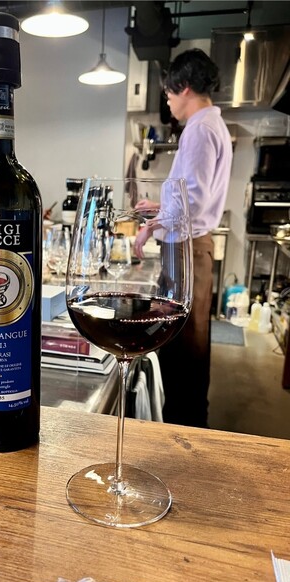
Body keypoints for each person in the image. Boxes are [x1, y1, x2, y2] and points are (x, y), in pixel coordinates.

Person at [133, 49, 233, 428]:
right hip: (192, 245)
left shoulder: (199, 130)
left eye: (169, 93)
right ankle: (187, 424)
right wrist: (160, 207)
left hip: (185, 248)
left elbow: (192, 199)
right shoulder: (210, 125)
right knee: (189, 341)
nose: (169, 101)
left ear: (185, 87)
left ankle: (182, 432)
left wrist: (150, 225)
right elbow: (192, 194)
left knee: (182, 347)